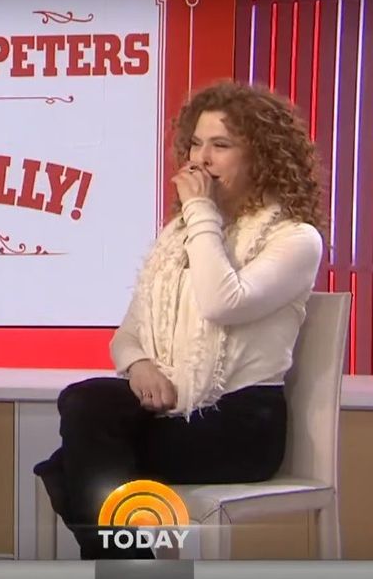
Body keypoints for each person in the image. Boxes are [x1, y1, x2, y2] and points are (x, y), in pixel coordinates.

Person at [33, 80, 325, 559]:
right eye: (195, 144)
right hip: (171, 411)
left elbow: (222, 301)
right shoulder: (180, 237)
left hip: (240, 427)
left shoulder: (294, 239)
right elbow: (128, 333)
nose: (201, 160)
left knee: (71, 466)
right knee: (85, 401)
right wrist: (140, 367)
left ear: (262, 156)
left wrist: (200, 210)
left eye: (221, 146)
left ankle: (124, 564)